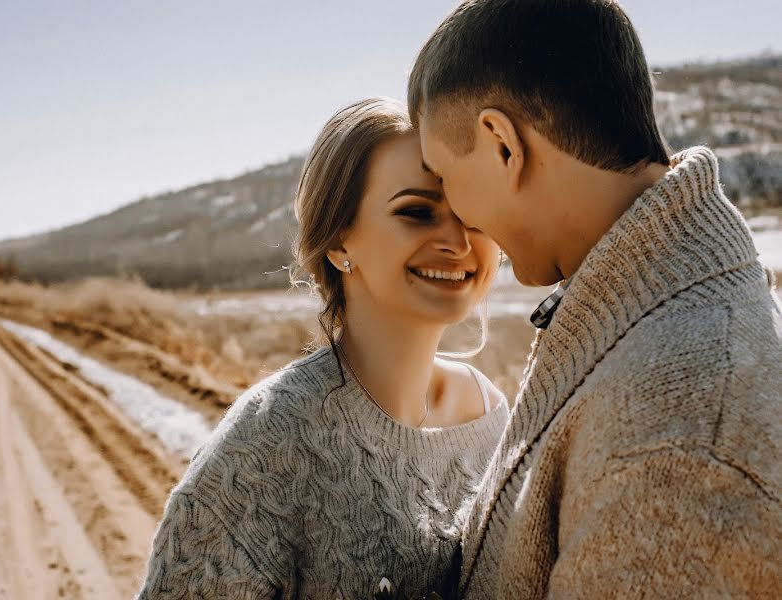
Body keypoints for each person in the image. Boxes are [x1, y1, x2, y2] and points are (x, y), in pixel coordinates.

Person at [407, 0, 782, 598]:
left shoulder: (678, 440)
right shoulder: (634, 307)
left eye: (444, 177)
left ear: (503, 145)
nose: (454, 216)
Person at [135, 97, 509, 599]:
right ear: (338, 241)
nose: (459, 242)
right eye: (417, 212)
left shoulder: (492, 418)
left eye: (472, 212)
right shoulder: (268, 442)